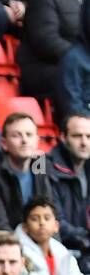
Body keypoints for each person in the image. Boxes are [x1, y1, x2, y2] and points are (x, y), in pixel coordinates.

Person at [15, 195, 90, 275]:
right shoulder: (19, 254)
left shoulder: (64, 254)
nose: (42, 223)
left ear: (56, 226)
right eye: (35, 218)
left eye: (47, 218)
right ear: (25, 227)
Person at [0, 112, 54, 230]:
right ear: (4, 143)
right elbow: (0, 224)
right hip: (8, 242)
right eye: (16, 135)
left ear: (37, 140)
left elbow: (51, 213)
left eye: (29, 135)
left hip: (39, 237)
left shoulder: (41, 166)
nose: (24, 140)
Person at [45, 111, 90, 266]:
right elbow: (54, 221)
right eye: (77, 136)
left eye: (88, 137)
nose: (84, 142)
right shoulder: (46, 168)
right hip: (62, 250)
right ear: (63, 137)